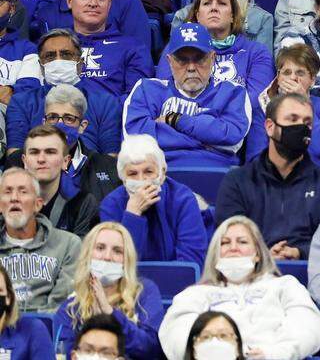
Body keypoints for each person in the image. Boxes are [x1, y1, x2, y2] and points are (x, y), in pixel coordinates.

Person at [157, 214, 320, 360]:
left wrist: (274, 354)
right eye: (225, 243)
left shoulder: (285, 285)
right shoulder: (195, 293)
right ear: (215, 253)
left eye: (242, 242)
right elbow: (175, 334)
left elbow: (307, 326)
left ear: (258, 253)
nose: (233, 248)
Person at [215, 93, 320, 261]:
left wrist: (299, 252)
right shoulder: (238, 181)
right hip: (251, 271)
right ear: (269, 127)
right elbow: (228, 240)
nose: (301, 128)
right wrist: (263, 256)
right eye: (292, 119)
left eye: (307, 123)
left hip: (309, 272)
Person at [122, 23, 253, 169]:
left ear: (212, 58)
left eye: (199, 59)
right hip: (161, 175)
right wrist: (207, 137)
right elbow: (137, 141)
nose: (191, 68)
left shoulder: (233, 92)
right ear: (170, 61)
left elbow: (231, 138)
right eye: (182, 60)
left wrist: (175, 120)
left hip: (217, 174)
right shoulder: (146, 89)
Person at [52, 222, 164, 359]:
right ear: (88, 254)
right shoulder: (70, 307)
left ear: (127, 259)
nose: (107, 257)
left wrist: (111, 314)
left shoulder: (144, 293)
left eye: (117, 251)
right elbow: (63, 354)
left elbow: (151, 349)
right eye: (100, 248)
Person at [6, 32, 125, 157]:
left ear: (80, 63)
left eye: (66, 55)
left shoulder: (105, 102)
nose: (58, 60)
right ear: (41, 66)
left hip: (90, 167)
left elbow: (111, 156)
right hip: (37, 167)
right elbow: (15, 153)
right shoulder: (21, 102)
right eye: (50, 56)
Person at [97, 134, 207, 265]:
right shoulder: (111, 204)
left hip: (176, 277)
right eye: (132, 174)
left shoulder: (183, 199)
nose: (141, 180)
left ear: (162, 173)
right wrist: (132, 214)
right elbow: (114, 264)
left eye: (148, 172)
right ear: (123, 179)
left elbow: (191, 262)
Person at [0, 167, 80, 312]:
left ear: (38, 204)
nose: (14, 198)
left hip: (48, 325)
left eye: (23, 191)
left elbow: (61, 306)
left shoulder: (68, 245)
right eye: (8, 192)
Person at [66, 0, 152, 100]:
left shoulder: (133, 48)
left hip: (112, 113)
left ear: (109, 4)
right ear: (69, 1)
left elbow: (135, 99)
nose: (93, 3)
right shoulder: (54, 43)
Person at [259, 44, 320, 168]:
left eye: (300, 73)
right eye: (286, 72)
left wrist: (304, 104)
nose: (293, 78)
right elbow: (256, 156)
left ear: (312, 80)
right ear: (278, 77)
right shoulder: (264, 107)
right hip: (277, 176)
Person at [22, 124, 98, 237]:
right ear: (24, 161)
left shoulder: (83, 202)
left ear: (65, 161)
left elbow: (81, 247)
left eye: (50, 152)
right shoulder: (8, 199)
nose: (41, 159)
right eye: (34, 152)